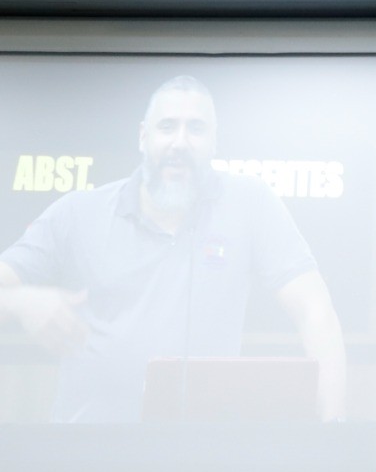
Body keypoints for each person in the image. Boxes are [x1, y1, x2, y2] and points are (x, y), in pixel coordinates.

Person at [0, 75, 346, 423]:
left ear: (215, 142)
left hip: (203, 450)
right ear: (143, 136)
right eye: (167, 127)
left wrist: (333, 432)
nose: (180, 142)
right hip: (89, 448)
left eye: (195, 128)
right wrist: (22, 301)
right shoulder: (78, 212)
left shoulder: (250, 203)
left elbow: (314, 310)